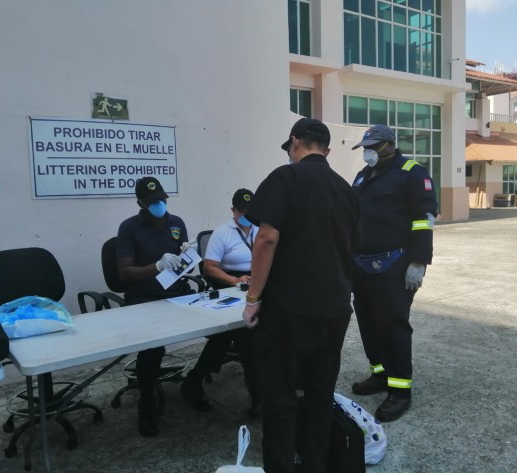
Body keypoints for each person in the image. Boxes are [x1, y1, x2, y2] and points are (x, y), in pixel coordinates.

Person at [242, 118, 360, 473]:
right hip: (336, 309)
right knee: (320, 395)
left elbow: (265, 239)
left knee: (279, 399)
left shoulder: (286, 178)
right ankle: (315, 465)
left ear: (294, 143)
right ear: (325, 149)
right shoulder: (346, 190)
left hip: (288, 311)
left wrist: (252, 300)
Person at [349, 124, 438, 422]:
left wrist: (419, 262)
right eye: (365, 147)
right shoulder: (363, 176)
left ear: (389, 144)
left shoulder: (412, 172)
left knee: (393, 324)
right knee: (368, 321)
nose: (368, 152)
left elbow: (423, 220)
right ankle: (380, 374)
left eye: (373, 146)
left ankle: (400, 390)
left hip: (395, 263)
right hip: (361, 263)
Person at [116, 176, 196, 437]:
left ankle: (195, 383)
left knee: (224, 328)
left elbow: (181, 266)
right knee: (152, 347)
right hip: (145, 296)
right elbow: (125, 274)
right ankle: (147, 404)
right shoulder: (129, 228)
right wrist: (157, 266)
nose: (159, 205)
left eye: (161, 200)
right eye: (153, 202)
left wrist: (187, 256)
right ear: (140, 203)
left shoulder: (177, 224)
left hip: (177, 292)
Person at [180, 189, 260, 416]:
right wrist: (235, 280)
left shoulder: (261, 229)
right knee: (241, 332)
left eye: (250, 211)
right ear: (233, 210)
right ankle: (258, 394)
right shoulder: (222, 233)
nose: (246, 215)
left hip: (259, 283)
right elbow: (209, 268)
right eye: (241, 211)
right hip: (231, 285)